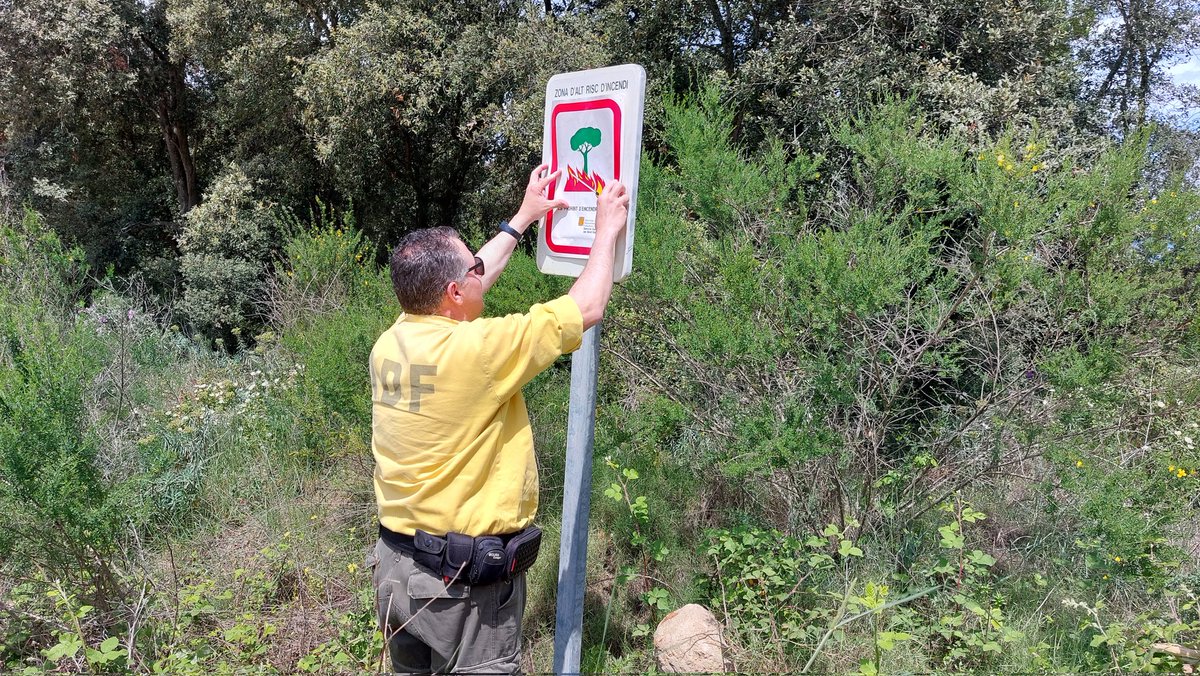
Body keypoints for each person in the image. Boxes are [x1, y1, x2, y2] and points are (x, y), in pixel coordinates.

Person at [368, 163, 630, 674]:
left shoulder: (394, 339)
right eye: (473, 271)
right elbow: (588, 305)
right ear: (453, 293)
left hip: (397, 570)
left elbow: (469, 271)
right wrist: (606, 232)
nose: (481, 272)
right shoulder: (477, 351)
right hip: (459, 587)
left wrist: (523, 218)